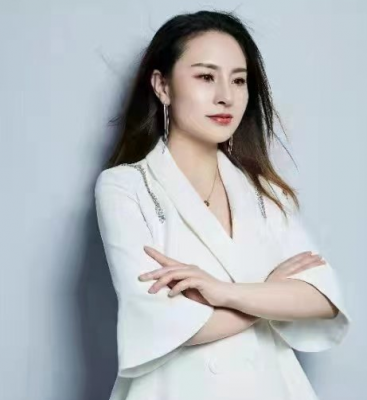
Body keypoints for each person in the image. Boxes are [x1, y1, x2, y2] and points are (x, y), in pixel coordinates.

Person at [94, 10, 351, 400]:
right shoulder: (126, 187)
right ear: (162, 86)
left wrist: (221, 292)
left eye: (239, 80)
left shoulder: (267, 193)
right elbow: (157, 322)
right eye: (205, 77)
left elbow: (322, 298)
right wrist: (270, 295)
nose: (225, 96)